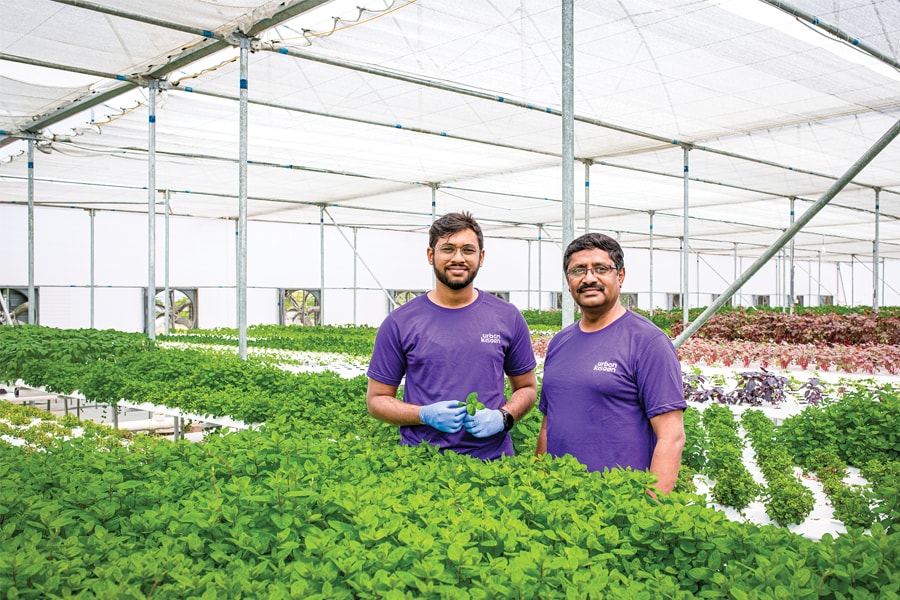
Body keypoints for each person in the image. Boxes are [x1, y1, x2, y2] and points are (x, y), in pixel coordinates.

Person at [366, 211, 538, 460]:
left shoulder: (507, 317)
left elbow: (527, 388)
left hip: (493, 463)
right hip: (422, 462)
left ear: (481, 257)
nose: (458, 258)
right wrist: (422, 414)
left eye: (468, 250)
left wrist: (503, 417)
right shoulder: (399, 322)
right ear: (430, 255)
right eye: (448, 249)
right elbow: (377, 400)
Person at [536, 232, 686, 494]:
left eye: (601, 268)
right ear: (568, 280)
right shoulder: (559, 342)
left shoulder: (648, 342)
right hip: (558, 499)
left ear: (621, 276)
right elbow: (549, 425)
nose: (589, 278)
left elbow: (671, 437)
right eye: (578, 270)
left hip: (618, 505)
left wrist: (650, 509)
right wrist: (537, 484)